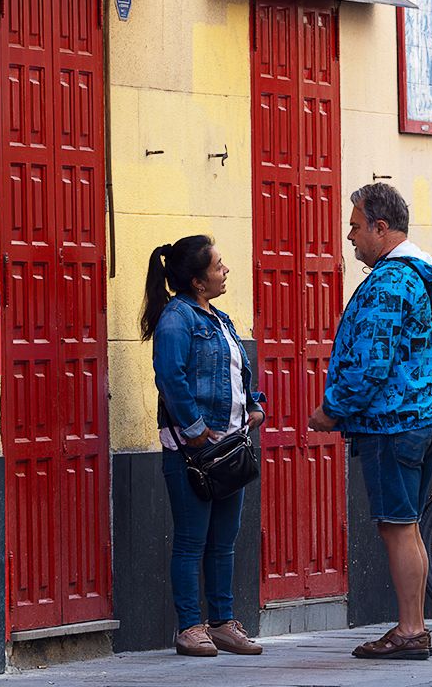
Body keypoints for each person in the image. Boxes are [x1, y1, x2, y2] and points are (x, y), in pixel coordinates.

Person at [308, 183, 432, 660]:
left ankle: (410, 629)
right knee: (405, 526)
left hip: (394, 424)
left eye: (355, 226)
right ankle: (413, 624)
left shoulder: (391, 282)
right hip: (423, 419)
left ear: (380, 227)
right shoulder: (422, 275)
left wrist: (332, 410)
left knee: (397, 526)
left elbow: (372, 362)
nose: (350, 237)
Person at [141, 235, 266, 657]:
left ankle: (222, 622)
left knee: (223, 542)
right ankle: (190, 627)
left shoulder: (220, 318)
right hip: (191, 452)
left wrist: (255, 406)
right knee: (192, 541)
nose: (225, 270)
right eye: (218, 266)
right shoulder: (177, 319)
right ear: (197, 281)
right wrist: (194, 428)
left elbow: (240, 371)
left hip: (229, 448)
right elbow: (171, 379)